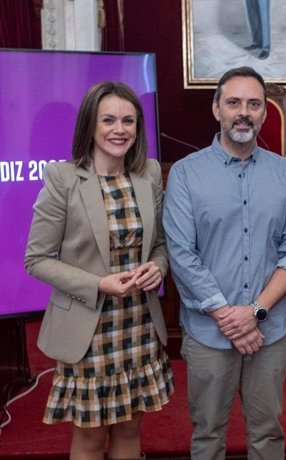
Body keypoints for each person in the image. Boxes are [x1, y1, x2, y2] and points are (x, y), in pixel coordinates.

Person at [163, 66, 286, 460]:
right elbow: (181, 253)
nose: (243, 112)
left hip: (270, 331)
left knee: (267, 434)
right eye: (234, 102)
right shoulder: (185, 174)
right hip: (209, 331)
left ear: (264, 113)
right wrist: (229, 316)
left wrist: (256, 312)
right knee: (208, 435)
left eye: (254, 104)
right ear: (216, 110)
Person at [24, 81, 173, 460]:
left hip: (138, 324)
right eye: (108, 120)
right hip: (89, 333)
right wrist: (99, 284)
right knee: (91, 439)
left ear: (138, 128)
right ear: (90, 125)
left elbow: (160, 245)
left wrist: (158, 268)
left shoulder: (150, 174)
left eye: (128, 120)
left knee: (129, 430)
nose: (119, 129)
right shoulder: (63, 179)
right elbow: (36, 259)